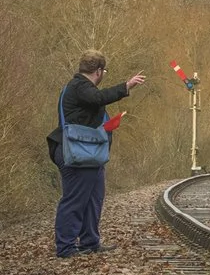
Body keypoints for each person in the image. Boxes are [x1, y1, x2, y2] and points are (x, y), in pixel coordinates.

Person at [52, 50, 145, 257]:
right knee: (75, 200)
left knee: (94, 198)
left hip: (89, 155)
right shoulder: (79, 86)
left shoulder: (82, 89)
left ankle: (89, 241)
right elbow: (98, 98)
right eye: (104, 71)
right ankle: (65, 247)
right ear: (99, 71)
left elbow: (92, 110)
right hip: (75, 154)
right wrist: (126, 86)